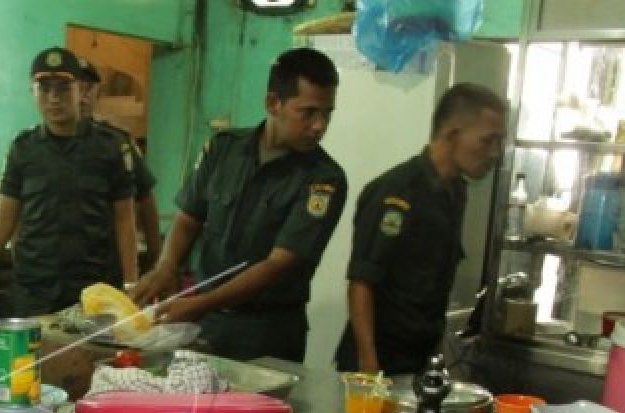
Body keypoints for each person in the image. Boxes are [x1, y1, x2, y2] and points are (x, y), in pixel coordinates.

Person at [131, 47, 346, 362]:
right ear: (274, 103)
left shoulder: (324, 180)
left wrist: (201, 303)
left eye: (327, 114)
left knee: (262, 412)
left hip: (268, 332)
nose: (320, 126)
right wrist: (166, 266)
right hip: (205, 325)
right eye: (309, 112)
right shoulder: (224, 149)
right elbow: (189, 217)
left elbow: (277, 265)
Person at [334, 83, 507, 376]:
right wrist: (369, 368)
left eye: (498, 142)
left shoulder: (455, 193)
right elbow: (361, 283)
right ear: (453, 134)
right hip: (377, 360)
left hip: (418, 360)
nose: (494, 153)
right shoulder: (396, 192)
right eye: (487, 141)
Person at [0, 47, 138, 316]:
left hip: (93, 293)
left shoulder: (109, 148)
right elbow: (5, 216)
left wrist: (131, 282)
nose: (54, 98)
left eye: (63, 89)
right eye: (44, 89)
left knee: (88, 358)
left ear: (80, 90)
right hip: (33, 291)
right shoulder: (23, 149)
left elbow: (124, 219)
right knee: (27, 359)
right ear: (33, 92)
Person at [77, 56, 163, 269]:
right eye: (75, 87)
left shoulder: (118, 142)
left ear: (98, 93)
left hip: (104, 266)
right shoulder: (36, 146)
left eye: (88, 88)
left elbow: (146, 201)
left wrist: (157, 262)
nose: (81, 96)